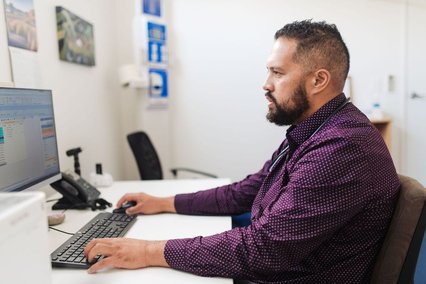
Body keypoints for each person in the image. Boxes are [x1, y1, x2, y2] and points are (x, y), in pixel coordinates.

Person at [84, 20, 400, 283]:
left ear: (319, 80)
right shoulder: (313, 129)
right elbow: (248, 190)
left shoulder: (341, 146)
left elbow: (265, 250)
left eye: (278, 73)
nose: (266, 84)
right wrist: (164, 203)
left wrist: (147, 251)